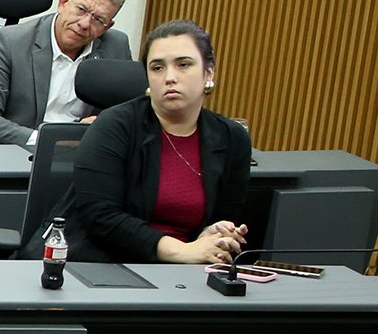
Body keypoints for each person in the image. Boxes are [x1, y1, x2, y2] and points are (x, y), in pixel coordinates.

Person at [57, 20, 250, 266]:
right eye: (157, 68)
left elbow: (224, 216)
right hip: (107, 264)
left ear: (209, 73)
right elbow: (101, 217)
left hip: (190, 272)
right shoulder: (114, 125)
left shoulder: (232, 138)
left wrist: (213, 235)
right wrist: (181, 251)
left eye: (183, 65)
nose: (170, 77)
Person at [0, 0, 132, 146]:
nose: (84, 24)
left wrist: (102, 124)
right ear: (63, 3)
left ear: (107, 27)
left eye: (98, 19)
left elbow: (129, 113)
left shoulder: (116, 46)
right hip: (25, 149)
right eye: (81, 10)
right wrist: (47, 140)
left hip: (85, 151)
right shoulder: (10, 42)